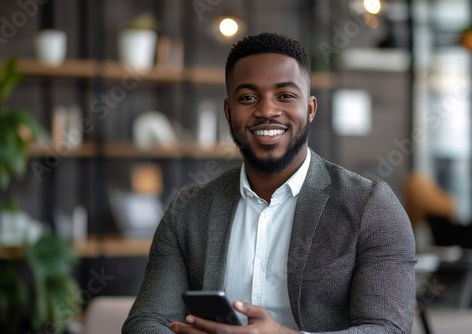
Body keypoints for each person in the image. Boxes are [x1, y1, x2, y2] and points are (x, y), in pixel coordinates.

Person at [122, 32, 416, 334]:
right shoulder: (188, 211)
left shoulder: (370, 207)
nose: (266, 110)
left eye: (285, 96)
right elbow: (145, 322)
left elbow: (387, 329)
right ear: (228, 112)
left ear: (311, 109)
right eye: (248, 98)